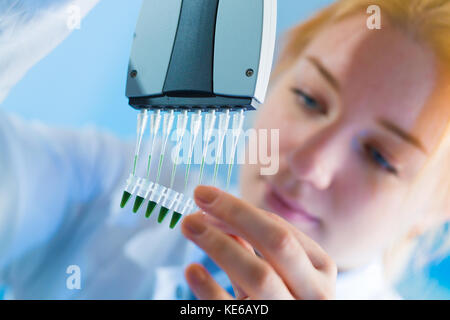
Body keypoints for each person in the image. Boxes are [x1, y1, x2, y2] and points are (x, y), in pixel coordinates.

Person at [0, 0, 449, 300]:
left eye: (381, 157)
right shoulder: (114, 189)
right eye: (309, 99)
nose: (308, 163)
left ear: (439, 206)